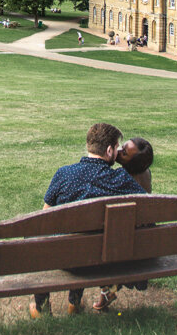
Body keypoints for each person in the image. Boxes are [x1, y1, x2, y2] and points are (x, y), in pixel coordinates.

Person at [29, 123, 145, 319]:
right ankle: (74, 302)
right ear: (109, 150)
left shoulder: (64, 174)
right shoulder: (121, 180)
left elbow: (44, 219)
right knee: (86, 240)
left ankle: (40, 306)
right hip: (101, 260)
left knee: (43, 236)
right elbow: (146, 207)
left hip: (66, 258)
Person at [93, 137, 154, 311]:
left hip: (126, 239)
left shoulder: (121, 179)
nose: (119, 150)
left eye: (124, 153)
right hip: (146, 238)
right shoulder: (145, 173)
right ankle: (109, 290)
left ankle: (107, 289)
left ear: (132, 164)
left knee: (100, 240)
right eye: (123, 146)